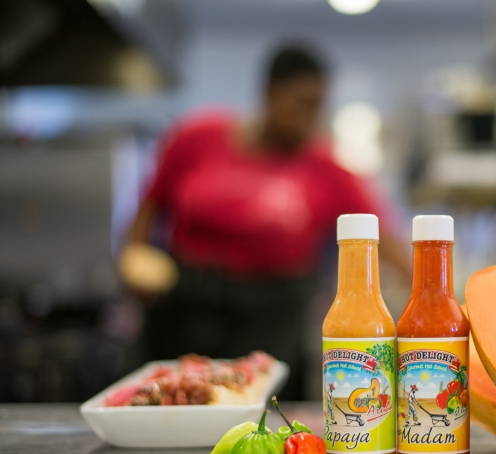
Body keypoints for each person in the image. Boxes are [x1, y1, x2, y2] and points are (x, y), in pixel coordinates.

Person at [125, 44, 410, 399]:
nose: (312, 117)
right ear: (270, 92)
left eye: (319, 105)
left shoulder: (327, 169)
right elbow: (149, 205)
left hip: (271, 315)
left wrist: (427, 293)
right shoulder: (197, 137)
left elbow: (385, 238)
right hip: (186, 304)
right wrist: (133, 260)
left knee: (261, 413)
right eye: (303, 103)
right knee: (172, 400)